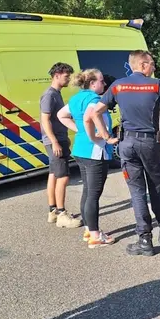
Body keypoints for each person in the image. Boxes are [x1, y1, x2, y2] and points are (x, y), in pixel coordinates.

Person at [85, 50, 160, 257]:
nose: (154, 68)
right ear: (142, 65)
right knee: (156, 188)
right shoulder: (157, 84)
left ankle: (144, 240)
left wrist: (105, 136)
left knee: (137, 192)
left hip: (127, 143)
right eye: (152, 64)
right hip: (150, 143)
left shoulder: (118, 85)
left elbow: (95, 112)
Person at [57, 68, 115, 248]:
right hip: (94, 152)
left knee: (87, 192)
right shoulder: (94, 99)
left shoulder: (76, 98)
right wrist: (101, 136)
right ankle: (96, 237)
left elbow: (61, 115)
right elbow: (91, 117)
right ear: (92, 83)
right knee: (93, 195)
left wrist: (79, 130)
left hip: (80, 150)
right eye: (101, 81)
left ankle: (89, 230)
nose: (104, 84)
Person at [40, 62, 81, 228]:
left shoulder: (56, 93)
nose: (68, 79)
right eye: (66, 76)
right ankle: (62, 214)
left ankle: (53, 211)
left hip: (56, 139)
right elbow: (45, 119)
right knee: (63, 176)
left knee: (53, 175)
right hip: (55, 141)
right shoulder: (50, 95)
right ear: (57, 75)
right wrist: (55, 141)